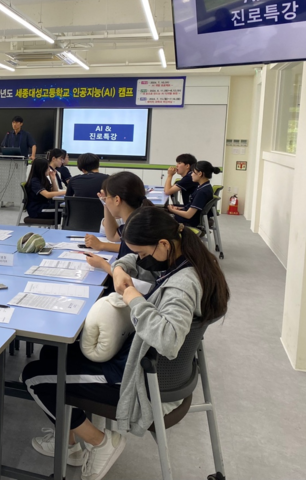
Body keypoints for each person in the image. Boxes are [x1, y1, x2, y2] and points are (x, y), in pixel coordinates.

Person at [22, 206, 230, 480]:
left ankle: (100, 442)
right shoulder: (187, 259)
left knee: (34, 377)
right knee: (52, 353)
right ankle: (69, 444)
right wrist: (119, 269)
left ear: (164, 244)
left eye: (143, 253)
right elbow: (131, 257)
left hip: (139, 380)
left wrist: (133, 297)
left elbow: (168, 340)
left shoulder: (181, 285)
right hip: (151, 366)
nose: (140, 259)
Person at [82, 172, 155, 274]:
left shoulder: (135, 232)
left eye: (107, 197)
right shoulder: (137, 222)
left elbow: (128, 278)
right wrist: (106, 204)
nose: (105, 200)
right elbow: (112, 235)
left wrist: (103, 264)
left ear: (117, 200)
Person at [168, 160, 219, 227]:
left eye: (193, 172)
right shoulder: (204, 186)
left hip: (191, 221)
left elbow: (188, 215)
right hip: (193, 217)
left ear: (200, 174)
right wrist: (178, 208)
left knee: (162, 216)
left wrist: (172, 210)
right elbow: (192, 205)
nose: (191, 174)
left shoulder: (202, 192)